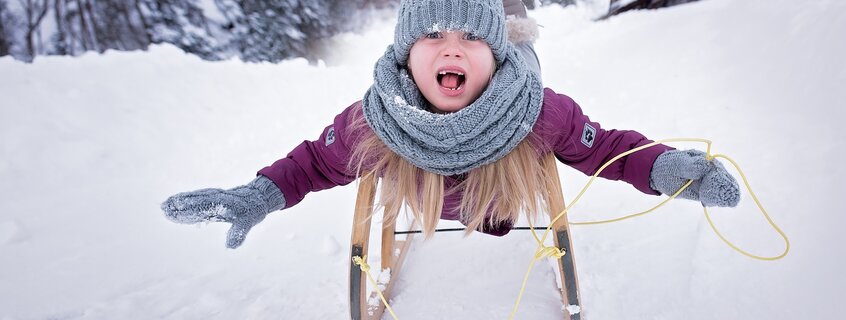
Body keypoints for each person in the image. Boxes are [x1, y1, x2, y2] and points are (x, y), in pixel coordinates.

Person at [161, 0, 740, 249]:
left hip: (502, 183)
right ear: (407, 55)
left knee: (494, 210)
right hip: (433, 185)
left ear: (496, 55)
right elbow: (313, 162)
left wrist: (671, 170)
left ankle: (509, 17)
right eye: (432, 35)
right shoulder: (375, 119)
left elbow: (608, 149)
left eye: (470, 40)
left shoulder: (537, 112)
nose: (451, 50)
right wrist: (258, 194)